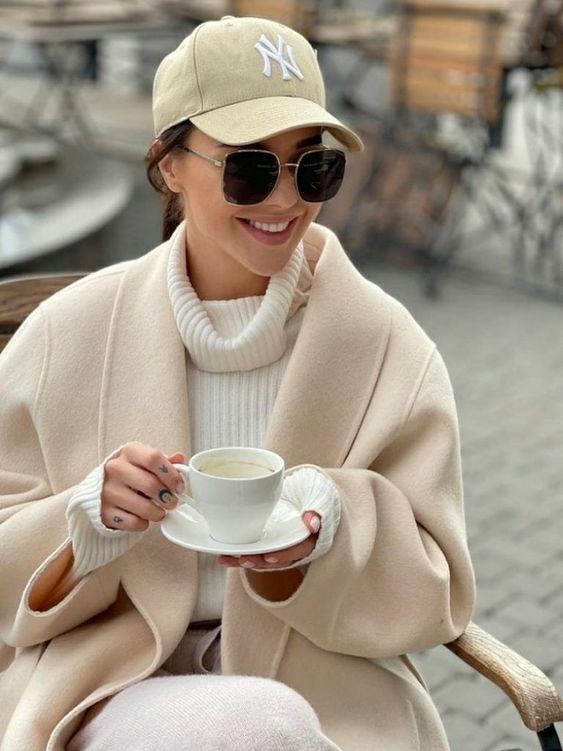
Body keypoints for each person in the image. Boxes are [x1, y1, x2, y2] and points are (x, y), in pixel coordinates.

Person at [0, 14, 476, 751]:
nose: (285, 200)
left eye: (312, 167)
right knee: (257, 725)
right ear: (168, 164)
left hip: (329, 690)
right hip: (109, 685)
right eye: (249, 168)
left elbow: (437, 589)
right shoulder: (67, 333)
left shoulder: (386, 344)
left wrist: (330, 529)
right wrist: (85, 521)